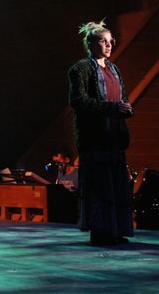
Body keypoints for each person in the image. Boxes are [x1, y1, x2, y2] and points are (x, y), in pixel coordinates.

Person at [68, 19, 135, 245]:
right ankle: (100, 231)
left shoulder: (114, 69)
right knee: (100, 185)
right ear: (91, 43)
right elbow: (79, 102)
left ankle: (116, 230)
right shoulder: (81, 69)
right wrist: (111, 108)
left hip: (114, 135)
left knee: (116, 184)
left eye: (111, 41)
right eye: (103, 41)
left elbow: (121, 98)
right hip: (95, 136)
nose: (108, 45)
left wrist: (125, 108)